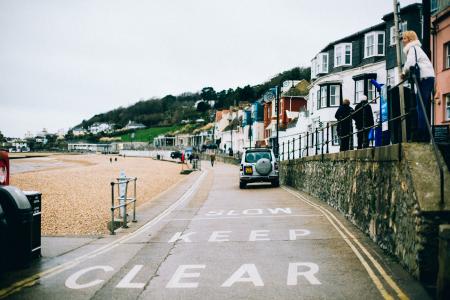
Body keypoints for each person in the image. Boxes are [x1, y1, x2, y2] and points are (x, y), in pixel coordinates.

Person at [401, 30, 435, 142]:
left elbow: (410, 63)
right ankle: (424, 134)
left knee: (420, 106)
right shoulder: (417, 49)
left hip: (425, 78)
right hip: (428, 78)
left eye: (404, 38)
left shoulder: (412, 48)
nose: (403, 41)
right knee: (422, 106)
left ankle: (421, 134)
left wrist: (403, 73)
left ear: (410, 39)